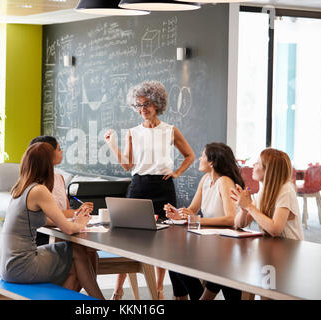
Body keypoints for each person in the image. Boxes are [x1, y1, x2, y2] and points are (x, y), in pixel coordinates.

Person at [104, 80, 195, 300]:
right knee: (128, 239)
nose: (142, 109)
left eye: (146, 104)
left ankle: (159, 289)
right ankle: (117, 291)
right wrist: (112, 144)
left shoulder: (170, 130)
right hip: (139, 186)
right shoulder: (132, 132)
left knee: (164, 240)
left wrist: (176, 173)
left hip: (163, 187)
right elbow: (127, 165)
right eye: (138, 105)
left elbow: (189, 155)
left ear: (157, 104)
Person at [0, 142, 104, 299]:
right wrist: (80, 222)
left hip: (6, 263)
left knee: (74, 272)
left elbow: (44, 220)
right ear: (47, 164)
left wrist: (72, 219)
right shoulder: (39, 190)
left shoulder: (21, 187)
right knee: (78, 251)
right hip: (20, 264)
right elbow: (68, 230)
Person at [164, 142, 244, 300]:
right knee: (173, 260)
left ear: (212, 162)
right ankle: (186, 297)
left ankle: (197, 296)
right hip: (211, 240)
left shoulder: (224, 181)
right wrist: (178, 214)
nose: (199, 158)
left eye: (203, 156)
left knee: (179, 261)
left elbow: (231, 219)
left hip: (226, 245)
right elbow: (192, 210)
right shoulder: (206, 179)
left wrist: (196, 219)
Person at [29, 135, 94, 246]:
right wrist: (77, 214)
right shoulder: (36, 186)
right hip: (45, 234)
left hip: (62, 228)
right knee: (79, 250)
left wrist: (79, 212)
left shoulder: (59, 178)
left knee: (86, 249)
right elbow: (49, 215)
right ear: (48, 154)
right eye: (58, 149)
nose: (62, 151)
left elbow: (66, 209)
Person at [231, 148, 304, 241]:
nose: (254, 165)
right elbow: (238, 224)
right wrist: (244, 210)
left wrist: (249, 206)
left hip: (289, 248)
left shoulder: (286, 190)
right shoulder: (263, 191)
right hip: (273, 247)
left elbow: (275, 230)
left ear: (268, 169)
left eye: (257, 163)